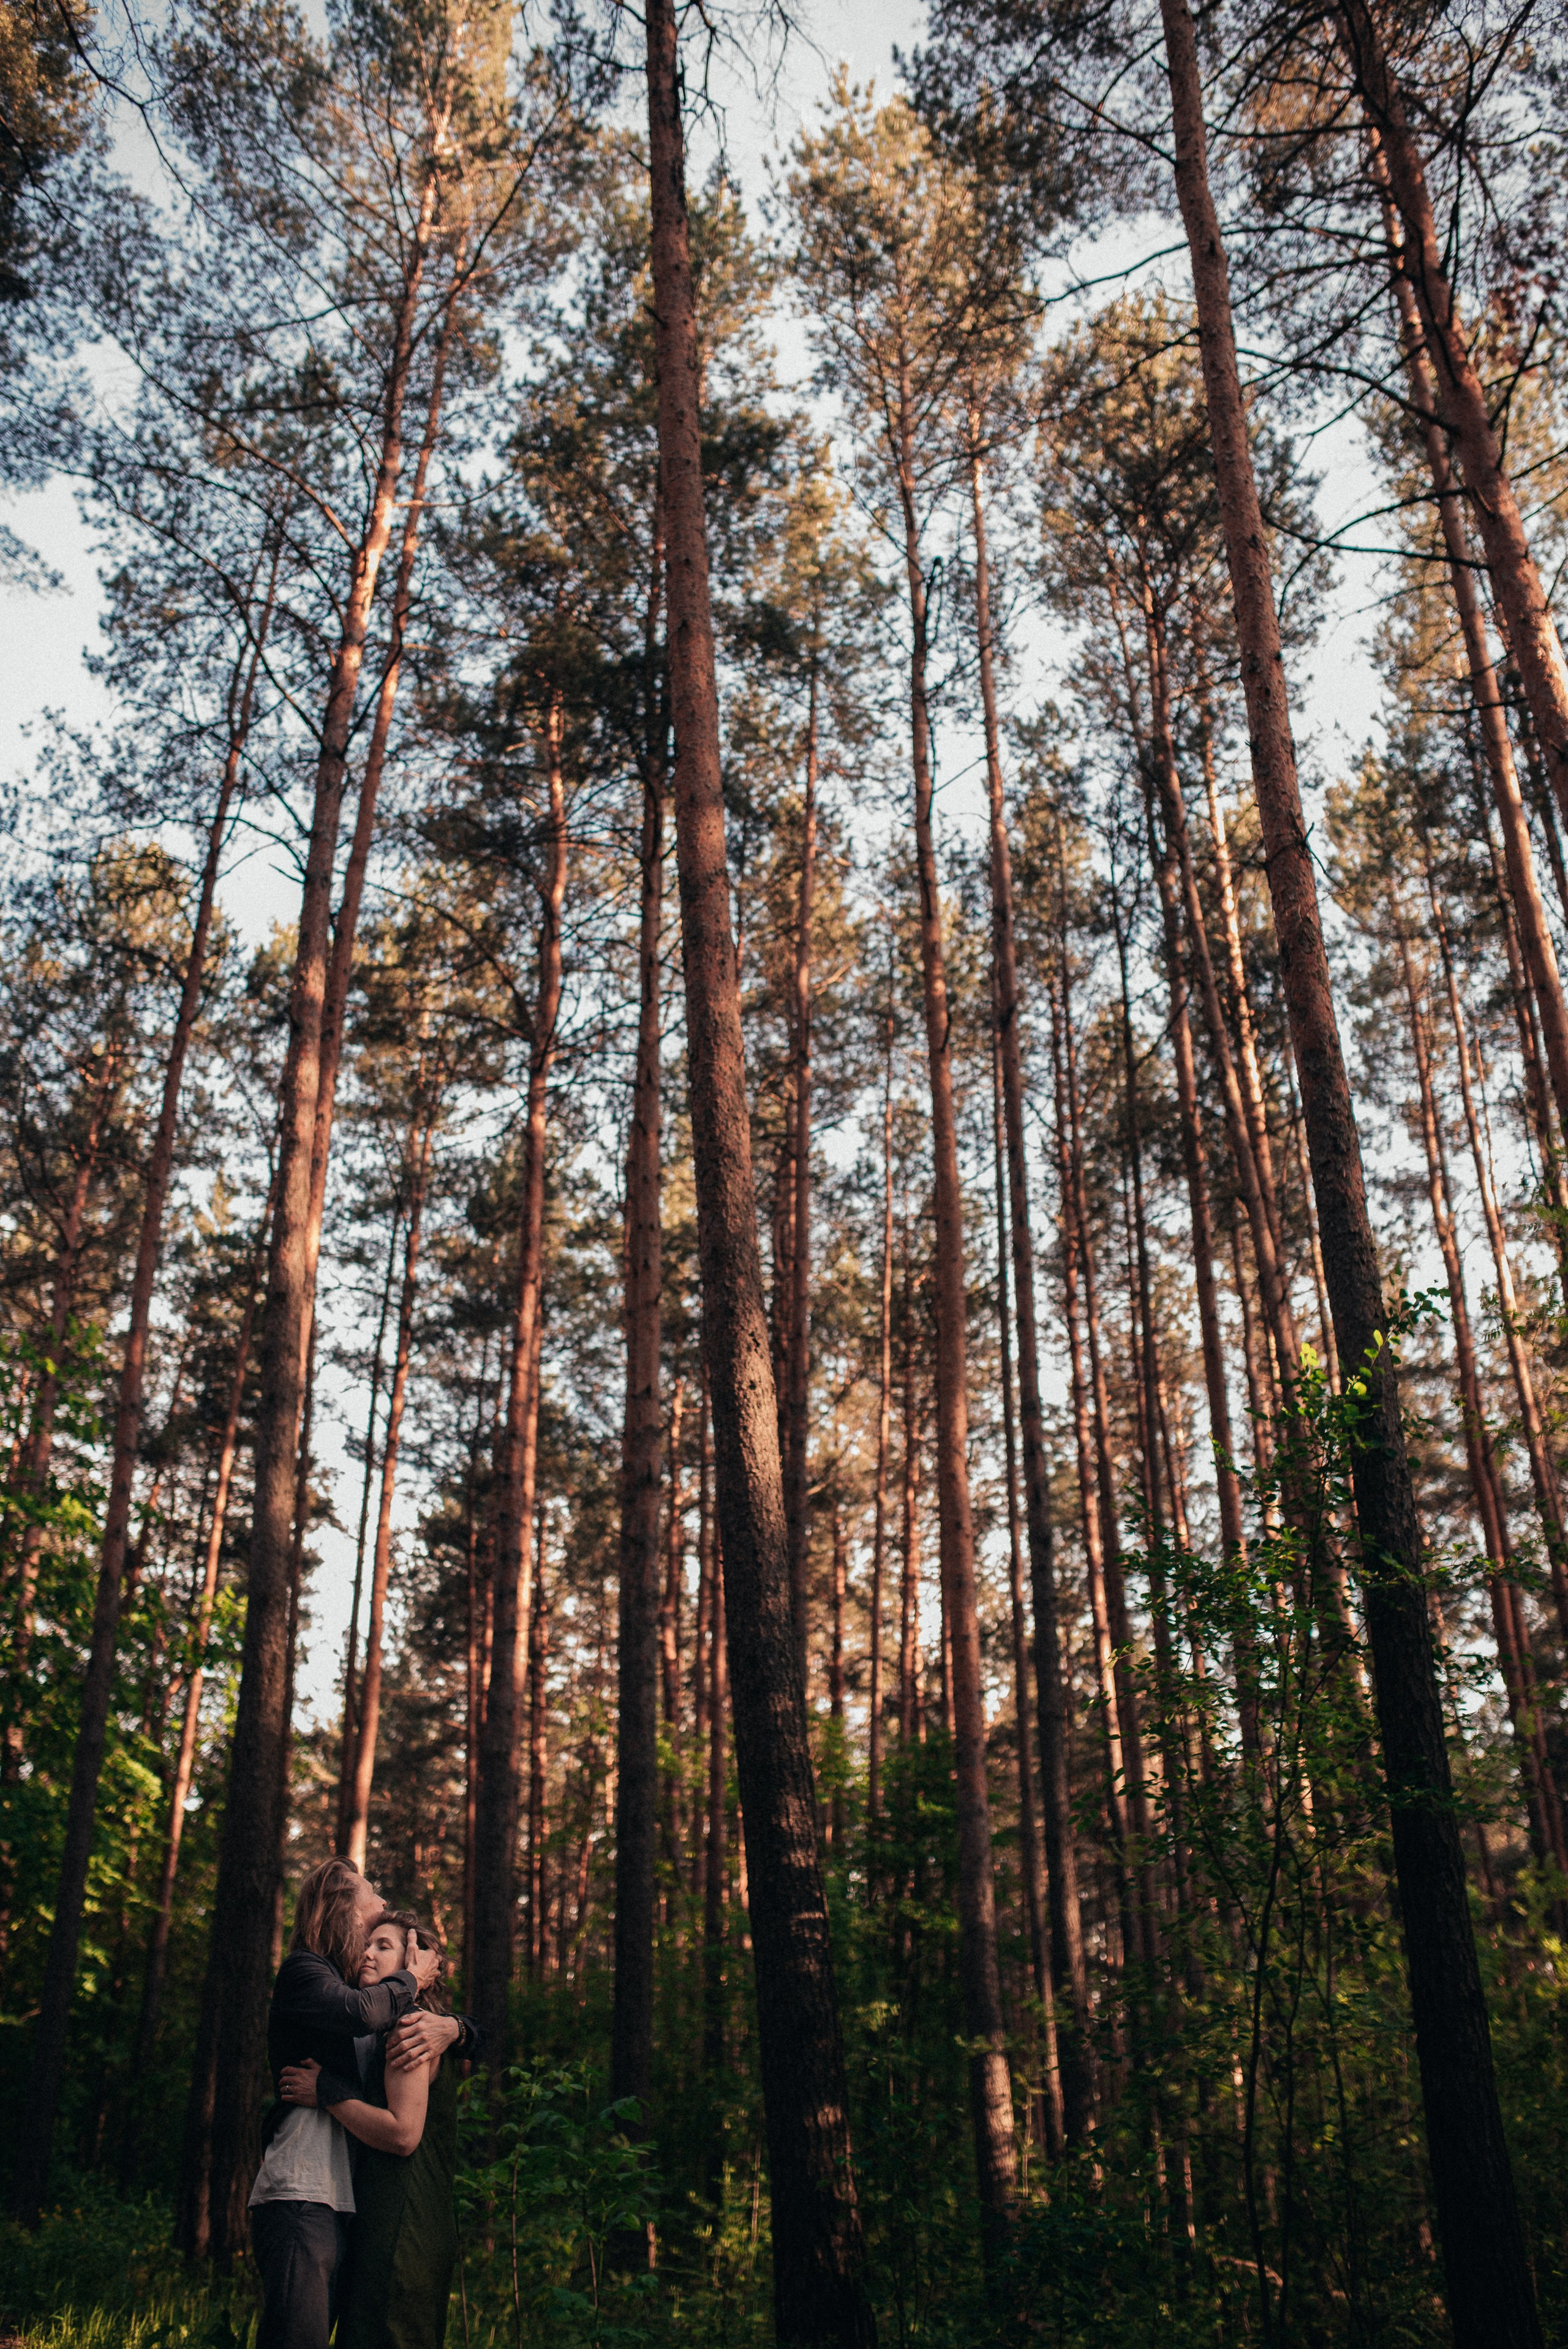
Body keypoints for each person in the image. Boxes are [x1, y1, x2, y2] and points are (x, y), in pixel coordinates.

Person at [248, 1860, 477, 2349]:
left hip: (343, 2203)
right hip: (301, 2193)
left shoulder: (393, 2016)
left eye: (385, 1943)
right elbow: (361, 2012)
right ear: (344, 1906)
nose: (379, 1903)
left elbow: (433, 2038)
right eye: (371, 1893)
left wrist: (457, 2026)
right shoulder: (307, 1972)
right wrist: (413, 1979)